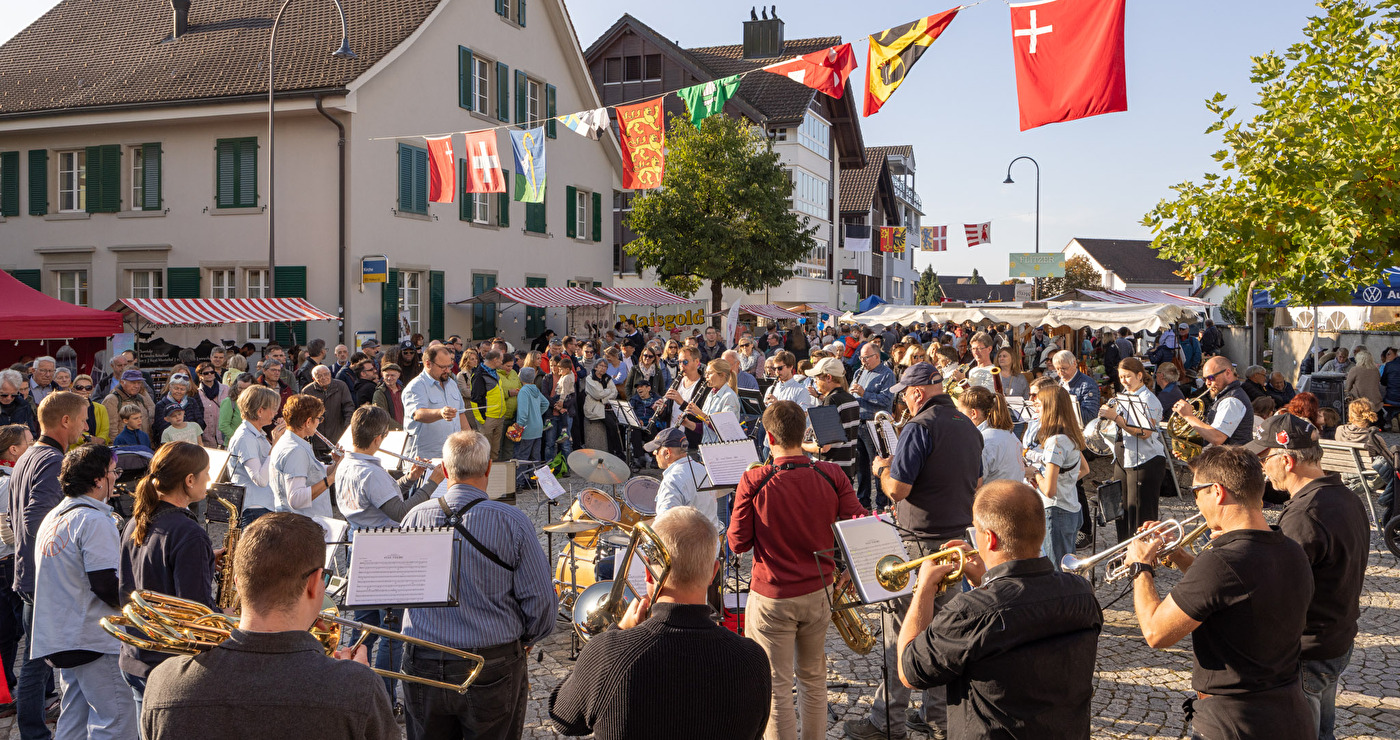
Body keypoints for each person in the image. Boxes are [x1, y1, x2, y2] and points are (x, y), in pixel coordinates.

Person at [140, 513, 398, 739]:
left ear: (238, 583)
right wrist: (357, 684)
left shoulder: (163, 682)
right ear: (315, 581)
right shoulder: (357, 687)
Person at [1124, 445, 1313, 740]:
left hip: (1234, 722)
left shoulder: (1221, 563)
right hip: (1290, 712)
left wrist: (1141, 567)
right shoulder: (1291, 549)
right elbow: (1232, 592)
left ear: (1217, 491)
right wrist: (1181, 557)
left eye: (1196, 492)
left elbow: (1155, 632)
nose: (1196, 502)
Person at [897, 480, 1102, 738]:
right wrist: (986, 582)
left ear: (990, 539)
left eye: (976, 529)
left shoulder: (969, 611)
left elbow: (909, 671)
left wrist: (924, 589)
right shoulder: (1082, 593)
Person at [550, 506, 771, 740]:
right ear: (713, 573)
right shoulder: (752, 659)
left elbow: (563, 720)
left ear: (648, 574)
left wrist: (615, 634)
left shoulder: (607, 653)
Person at [848, 363, 982, 740]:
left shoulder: (919, 426)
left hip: (918, 541)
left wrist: (881, 469)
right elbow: (979, 481)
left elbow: (898, 490)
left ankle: (885, 721)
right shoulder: (968, 425)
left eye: (904, 393)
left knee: (901, 631)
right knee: (942, 632)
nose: (903, 400)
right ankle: (936, 717)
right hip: (955, 540)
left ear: (917, 392)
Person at [399, 430, 556, 740]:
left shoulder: (414, 517)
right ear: (488, 469)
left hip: (424, 660)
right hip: (491, 661)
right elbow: (541, 602)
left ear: (444, 471)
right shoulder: (512, 520)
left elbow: (402, 590)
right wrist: (527, 638)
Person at [730, 401, 865, 740]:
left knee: (776, 686)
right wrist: (849, 568)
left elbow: (737, 543)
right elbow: (861, 522)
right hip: (818, 590)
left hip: (772, 593)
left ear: (770, 436)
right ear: (804, 433)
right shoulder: (832, 474)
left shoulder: (754, 479)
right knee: (813, 679)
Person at [1249, 414, 1370, 740]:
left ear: (1286, 460)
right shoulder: (1345, 496)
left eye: (1265, 458)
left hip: (1308, 651)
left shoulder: (1304, 514)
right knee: (1322, 730)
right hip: (1335, 638)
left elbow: (1276, 592)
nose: (1262, 469)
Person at [32, 443, 137, 739]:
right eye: (112, 472)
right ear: (97, 480)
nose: (116, 478)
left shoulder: (54, 516)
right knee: (115, 720)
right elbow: (104, 583)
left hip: (62, 636)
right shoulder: (93, 519)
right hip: (93, 638)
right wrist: (141, 610)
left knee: (74, 719)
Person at [11, 391, 89, 739]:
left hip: (29, 572)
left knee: (38, 658)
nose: (86, 425)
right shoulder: (50, 459)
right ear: (66, 421)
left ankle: (33, 728)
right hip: (42, 577)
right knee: (37, 660)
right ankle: (33, 732)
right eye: (84, 418)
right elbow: (34, 518)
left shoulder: (30, 454)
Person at [117, 442, 217, 712]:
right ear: (189, 480)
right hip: (169, 666)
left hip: (136, 657)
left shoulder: (135, 521)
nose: (209, 479)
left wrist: (204, 561)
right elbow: (197, 614)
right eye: (206, 472)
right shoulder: (188, 533)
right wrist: (226, 614)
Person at [1100, 357, 1168, 542]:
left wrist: (1116, 418)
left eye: (1128, 376)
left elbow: (1145, 432)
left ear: (1140, 375)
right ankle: (1125, 555)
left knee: (1141, 515)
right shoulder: (1124, 395)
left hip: (1145, 460)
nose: (1123, 381)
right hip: (1123, 456)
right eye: (1121, 377)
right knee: (1122, 512)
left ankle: (1144, 561)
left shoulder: (1149, 400)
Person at [1022, 386, 1087, 569]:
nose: (1036, 410)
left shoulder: (1055, 442)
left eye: (1039, 406)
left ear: (1050, 408)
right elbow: (1084, 469)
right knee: (1067, 566)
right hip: (1071, 506)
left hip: (1056, 511)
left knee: (1056, 569)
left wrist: (1034, 473)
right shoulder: (1071, 435)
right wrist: (1064, 481)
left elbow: (1049, 490)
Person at [0, 424, 33, 708]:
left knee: (7, 634)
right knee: (28, 630)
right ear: (14, 450)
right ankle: (39, 698)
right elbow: (9, 530)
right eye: (29, 442)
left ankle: (6, 688)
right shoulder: (10, 482)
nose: (33, 447)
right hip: (9, 561)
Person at [270, 395, 341, 519]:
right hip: (302, 526)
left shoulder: (292, 442)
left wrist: (336, 464)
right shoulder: (295, 451)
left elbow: (313, 472)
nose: (319, 422)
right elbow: (296, 499)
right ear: (308, 422)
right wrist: (331, 479)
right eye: (319, 418)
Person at [226, 385, 287, 528]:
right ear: (260, 411)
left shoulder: (256, 433)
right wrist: (275, 445)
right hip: (254, 509)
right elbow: (260, 479)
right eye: (272, 408)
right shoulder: (246, 438)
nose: (275, 412)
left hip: (263, 506)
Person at [1170, 356, 1254, 451]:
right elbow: (1211, 435)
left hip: (1232, 462)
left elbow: (1217, 438)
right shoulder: (1225, 397)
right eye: (1204, 379)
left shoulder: (1231, 401)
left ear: (1228, 373)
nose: (1207, 383)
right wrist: (1186, 448)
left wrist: (1189, 416)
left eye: (1211, 378)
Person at [851, 343, 897, 511]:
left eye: (866, 358)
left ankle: (881, 504)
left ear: (877, 356)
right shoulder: (859, 372)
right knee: (861, 468)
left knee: (878, 466)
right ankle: (863, 502)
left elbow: (886, 401)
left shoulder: (887, 375)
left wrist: (864, 394)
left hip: (875, 425)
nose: (863, 361)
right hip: (859, 423)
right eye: (861, 358)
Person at [406, 346, 471, 462]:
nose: (448, 370)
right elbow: (417, 414)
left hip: (452, 457)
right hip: (425, 459)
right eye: (443, 367)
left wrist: (471, 444)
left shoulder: (451, 384)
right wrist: (440, 413)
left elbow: (461, 416)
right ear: (428, 364)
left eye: (449, 366)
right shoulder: (416, 386)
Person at [1336, 399, 1396, 523]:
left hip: (1345, 473)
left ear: (1350, 415)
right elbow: (1388, 459)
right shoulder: (1373, 438)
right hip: (1367, 477)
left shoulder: (1340, 431)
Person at [802, 357, 861, 484]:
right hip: (847, 470)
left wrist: (801, 445)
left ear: (828, 377)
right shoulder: (851, 399)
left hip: (828, 472)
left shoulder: (830, 401)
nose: (815, 382)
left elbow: (824, 447)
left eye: (817, 378)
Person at [955, 386, 1022, 485]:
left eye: (961, 413)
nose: (959, 417)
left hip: (993, 497)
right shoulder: (1009, 434)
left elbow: (974, 484)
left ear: (973, 413)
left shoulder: (981, 440)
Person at [302, 365, 354, 459]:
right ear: (314, 378)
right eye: (319, 376)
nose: (324, 378)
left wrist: (348, 426)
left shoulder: (341, 386)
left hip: (338, 435)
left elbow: (348, 407)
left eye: (326, 374)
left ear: (330, 374)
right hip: (317, 438)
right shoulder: (307, 391)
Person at [467, 350, 508, 460]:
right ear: (495, 360)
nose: (502, 362)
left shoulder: (495, 372)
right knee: (485, 451)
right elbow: (475, 400)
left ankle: (494, 474)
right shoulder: (479, 375)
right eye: (501, 360)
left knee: (495, 450)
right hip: (488, 418)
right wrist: (482, 420)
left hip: (499, 416)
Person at [512, 367, 549, 471]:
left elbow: (523, 412)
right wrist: (537, 414)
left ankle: (520, 481)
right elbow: (546, 403)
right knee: (535, 456)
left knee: (523, 456)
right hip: (538, 426)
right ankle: (535, 480)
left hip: (527, 428)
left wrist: (520, 425)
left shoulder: (524, 391)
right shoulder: (535, 389)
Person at [102, 370, 154, 441]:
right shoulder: (112, 399)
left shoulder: (141, 398)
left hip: (142, 445)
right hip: (123, 447)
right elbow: (111, 428)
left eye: (139, 383)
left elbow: (149, 422)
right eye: (133, 383)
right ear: (122, 383)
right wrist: (116, 446)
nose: (137, 386)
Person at [1051, 350, 1099, 424]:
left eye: (1064, 368)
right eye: (1057, 369)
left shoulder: (1088, 385)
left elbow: (1090, 416)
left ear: (1074, 364)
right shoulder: (1059, 382)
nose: (1060, 372)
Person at [0, 370, 39, 438]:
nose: (9, 398)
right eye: (4, 395)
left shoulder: (24, 405)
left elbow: (32, 433)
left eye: (13, 395)